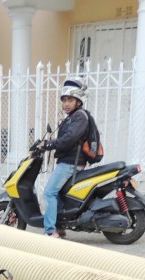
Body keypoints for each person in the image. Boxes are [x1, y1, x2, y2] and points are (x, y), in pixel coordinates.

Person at [42, 79, 92, 238]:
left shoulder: (80, 117)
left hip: (70, 163)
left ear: (78, 101)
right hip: (68, 162)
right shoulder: (72, 117)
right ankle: (60, 225)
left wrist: (49, 145)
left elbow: (69, 138)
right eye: (64, 100)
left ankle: (51, 231)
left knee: (49, 193)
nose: (65, 103)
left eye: (70, 100)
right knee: (58, 194)